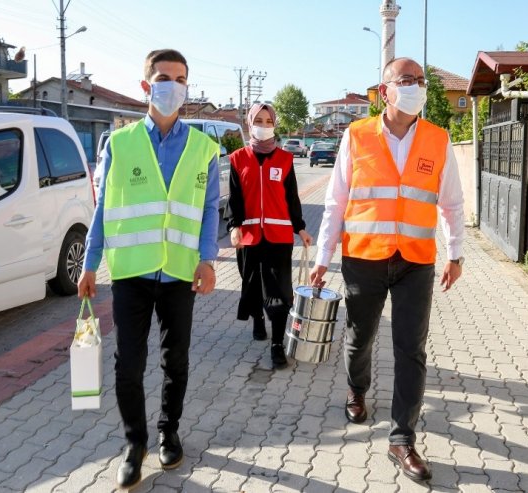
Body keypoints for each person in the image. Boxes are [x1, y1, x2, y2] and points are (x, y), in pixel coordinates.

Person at [310, 57, 465, 483]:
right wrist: (323, 257)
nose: (415, 86)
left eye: (420, 80)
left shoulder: (438, 138)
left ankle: (402, 439)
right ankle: (357, 390)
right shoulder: (356, 134)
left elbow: (451, 202)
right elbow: (336, 201)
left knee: (411, 350)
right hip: (364, 258)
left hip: (416, 261)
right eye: (406, 80)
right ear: (385, 90)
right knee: (360, 338)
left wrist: (456, 253)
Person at [77, 49, 220, 489]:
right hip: (131, 274)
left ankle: (168, 431)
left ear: (187, 88)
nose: (172, 85)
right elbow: (103, 209)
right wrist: (89, 264)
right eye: (163, 77)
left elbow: (210, 207)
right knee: (129, 365)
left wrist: (208, 258)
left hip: (178, 272)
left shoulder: (204, 147)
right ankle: (135, 444)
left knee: (175, 360)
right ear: (146, 86)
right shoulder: (117, 144)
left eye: (180, 79)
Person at [226, 103, 313, 368]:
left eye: (268, 121)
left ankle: (277, 345)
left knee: (279, 290)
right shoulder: (238, 159)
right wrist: (234, 226)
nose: (263, 126)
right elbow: (235, 198)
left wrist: (300, 227)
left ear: (274, 124)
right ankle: (257, 319)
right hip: (249, 238)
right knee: (251, 284)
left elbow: (292, 198)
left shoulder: (286, 160)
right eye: (258, 121)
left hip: (279, 237)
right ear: (250, 123)